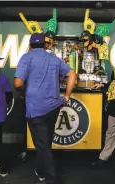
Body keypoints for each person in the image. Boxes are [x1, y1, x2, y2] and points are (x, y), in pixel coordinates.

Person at [14, 33, 77, 184]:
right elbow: (72, 74)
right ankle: (41, 170)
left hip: (35, 109)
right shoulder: (54, 59)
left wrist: (23, 89)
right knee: (46, 141)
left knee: (42, 145)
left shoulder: (26, 58)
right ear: (44, 45)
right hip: (53, 108)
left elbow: (17, 83)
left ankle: (51, 179)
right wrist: (67, 96)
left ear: (30, 45)